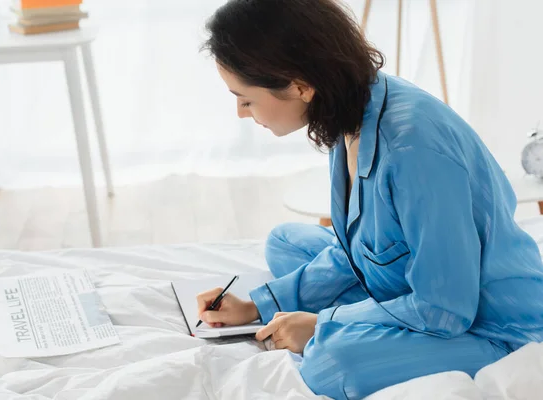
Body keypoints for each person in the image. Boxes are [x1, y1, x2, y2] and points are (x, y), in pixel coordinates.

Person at [196, 0, 543, 399]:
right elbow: (363, 250)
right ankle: (372, 314)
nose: (241, 113)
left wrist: (324, 323)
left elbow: (446, 308)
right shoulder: (352, 109)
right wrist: (254, 307)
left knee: (331, 361)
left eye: (246, 99)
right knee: (285, 242)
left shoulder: (415, 150)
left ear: (299, 85)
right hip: (415, 284)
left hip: (487, 326)